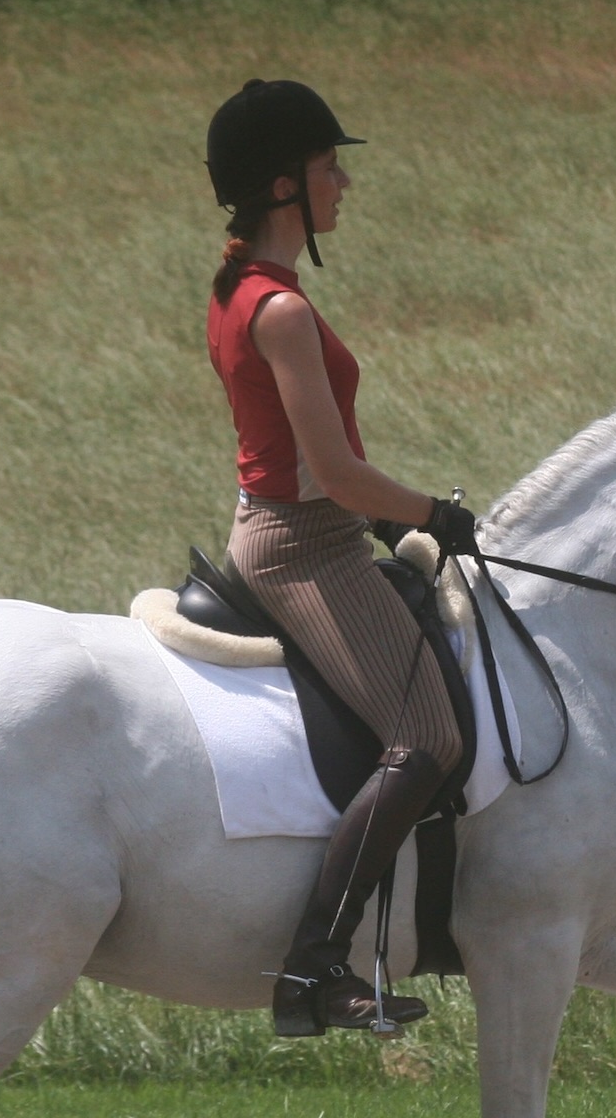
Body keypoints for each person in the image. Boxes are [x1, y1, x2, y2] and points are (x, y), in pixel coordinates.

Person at [205, 78, 479, 1037]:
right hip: (301, 546)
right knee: (431, 736)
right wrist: (435, 512)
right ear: (286, 187)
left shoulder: (247, 287)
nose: (344, 184)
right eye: (330, 168)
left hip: (310, 528)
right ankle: (314, 964)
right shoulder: (275, 308)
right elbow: (334, 472)